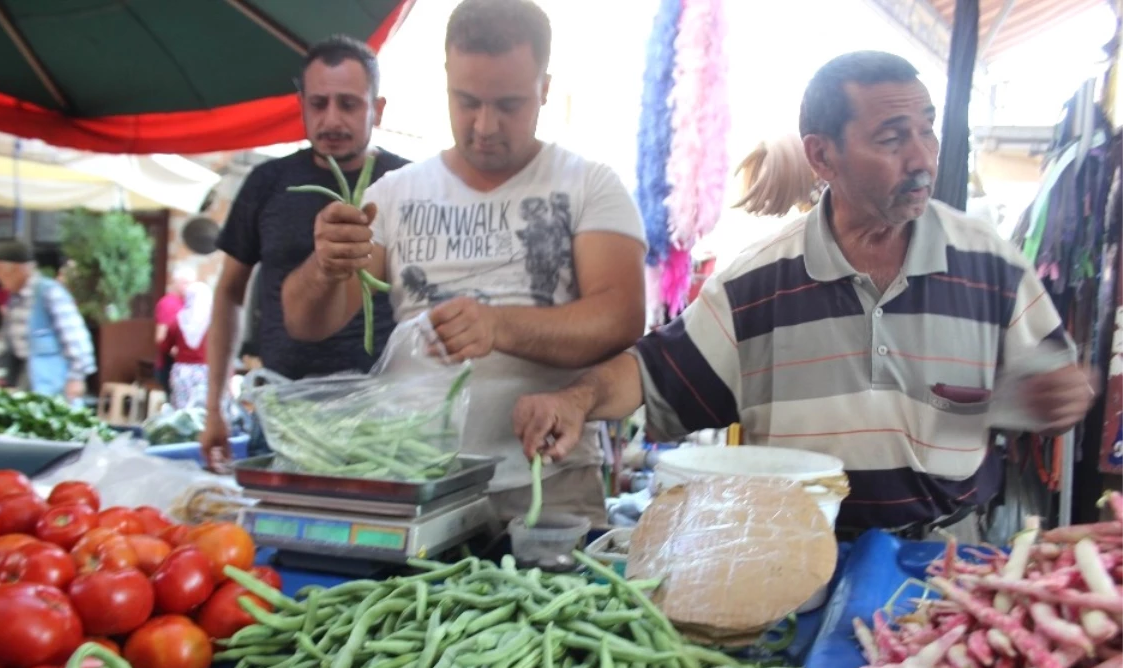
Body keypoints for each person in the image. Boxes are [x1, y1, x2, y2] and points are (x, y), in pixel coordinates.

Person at [513, 51, 1097, 542]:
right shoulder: (756, 284)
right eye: (893, 138)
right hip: (796, 560)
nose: (921, 156)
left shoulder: (989, 263)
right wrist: (575, 398)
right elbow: (653, 374)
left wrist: (1059, 395)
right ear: (822, 156)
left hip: (944, 560)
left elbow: (1049, 383)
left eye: (927, 128)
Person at [283, 0, 647, 526]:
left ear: (545, 88)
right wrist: (324, 266)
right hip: (415, 484)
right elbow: (306, 322)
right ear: (447, 81)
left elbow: (620, 318)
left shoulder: (589, 184)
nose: (484, 125)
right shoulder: (393, 194)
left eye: (509, 104)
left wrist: (499, 325)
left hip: (549, 484)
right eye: (467, 101)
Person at [201, 34, 410, 469]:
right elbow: (228, 294)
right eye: (319, 103)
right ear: (301, 104)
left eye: (349, 104)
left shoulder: (408, 184)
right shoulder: (267, 183)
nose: (331, 119)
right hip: (281, 413)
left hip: (383, 422)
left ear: (379, 108)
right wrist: (214, 404)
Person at [0, 241, 96, 403]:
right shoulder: (15, 298)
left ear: (19, 269)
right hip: (25, 374)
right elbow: (5, 338)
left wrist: (77, 376)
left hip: (52, 380)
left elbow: (75, 336)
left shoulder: (49, 293)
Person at [160, 282, 212, 409]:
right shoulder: (213, 323)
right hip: (206, 372)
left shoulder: (179, 320)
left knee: (182, 412)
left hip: (182, 372)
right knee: (203, 411)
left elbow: (165, 344)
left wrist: (176, 351)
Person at [155, 263, 197, 392]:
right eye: (186, 283)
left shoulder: (188, 304)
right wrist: (183, 355)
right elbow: (161, 337)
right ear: (176, 282)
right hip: (172, 365)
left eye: (192, 283)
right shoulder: (169, 304)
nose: (190, 287)